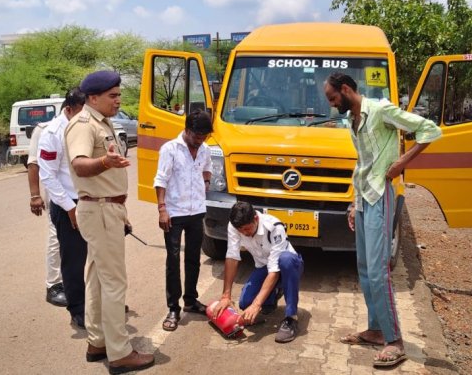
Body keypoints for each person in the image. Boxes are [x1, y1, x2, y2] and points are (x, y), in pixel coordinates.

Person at [324, 72, 441, 368]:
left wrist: (401, 163)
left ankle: (395, 340)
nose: (331, 103)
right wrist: (354, 204)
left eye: (333, 97)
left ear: (346, 89)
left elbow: (429, 130)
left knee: (378, 271)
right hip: (364, 197)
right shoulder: (352, 118)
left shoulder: (380, 110)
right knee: (364, 268)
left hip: (381, 194)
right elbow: (361, 163)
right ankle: (376, 330)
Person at [64, 70, 155, 372]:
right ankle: (119, 353)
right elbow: (79, 165)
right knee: (114, 282)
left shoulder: (103, 123)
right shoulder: (83, 124)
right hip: (100, 210)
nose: (118, 100)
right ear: (93, 98)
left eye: (118, 94)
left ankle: (98, 341)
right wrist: (105, 161)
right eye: (112, 95)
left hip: (107, 208)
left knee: (98, 279)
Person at [153, 109, 214, 331]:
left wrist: (205, 183)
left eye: (204, 137)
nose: (200, 141)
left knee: (193, 259)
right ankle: (173, 308)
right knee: (173, 260)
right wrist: (162, 209)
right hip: (174, 213)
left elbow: (207, 168)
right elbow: (160, 180)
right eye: (197, 136)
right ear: (187, 130)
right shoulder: (170, 149)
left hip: (196, 210)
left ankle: (190, 300)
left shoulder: (205, 149)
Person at [211, 201, 304, 343]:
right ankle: (272, 295)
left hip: (289, 267)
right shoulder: (235, 226)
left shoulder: (274, 227)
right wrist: (226, 296)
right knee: (245, 303)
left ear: (255, 219)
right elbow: (232, 257)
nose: (245, 234)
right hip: (264, 267)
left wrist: (256, 305)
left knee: (286, 260)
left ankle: (291, 318)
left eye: (247, 229)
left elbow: (274, 270)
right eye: (241, 231)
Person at [38, 87, 88, 328]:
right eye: (81, 111)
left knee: (96, 257)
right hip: (66, 203)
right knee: (73, 260)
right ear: (69, 109)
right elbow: (47, 175)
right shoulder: (52, 133)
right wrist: (69, 207)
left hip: (88, 201)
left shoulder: (84, 128)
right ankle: (77, 309)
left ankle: (98, 303)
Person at [26, 114, 67, 308]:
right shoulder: (45, 130)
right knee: (56, 237)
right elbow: (33, 163)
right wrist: (35, 195)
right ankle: (54, 285)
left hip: (82, 193)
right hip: (57, 193)